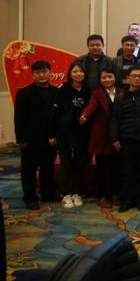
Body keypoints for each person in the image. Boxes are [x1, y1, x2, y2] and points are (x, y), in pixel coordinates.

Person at [14, 60, 59, 210]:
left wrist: (56, 135)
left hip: (50, 138)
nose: (42, 75)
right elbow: (19, 118)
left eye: (44, 72)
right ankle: (30, 197)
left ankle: (47, 193)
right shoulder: (24, 93)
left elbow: (57, 116)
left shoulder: (56, 92)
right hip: (30, 139)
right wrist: (21, 139)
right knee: (29, 170)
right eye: (38, 73)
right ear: (33, 75)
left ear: (50, 73)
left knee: (48, 167)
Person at [110, 66, 140, 212]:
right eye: (133, 76)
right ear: (128, 78)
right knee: (126, 171)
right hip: (126, 139)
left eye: (139, 76)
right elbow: (115, 119)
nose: (136, 79)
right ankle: (127, 200)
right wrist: (114, 138)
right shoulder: (120, 97)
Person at [80, 68, 119, 208]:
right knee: (101, 168)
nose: (107, 80)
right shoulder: (97, 93)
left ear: (115, 77)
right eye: (104, 78)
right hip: (101, 135)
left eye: (110, 76)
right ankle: (101, 195)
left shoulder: (122, 91)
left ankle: (115, 194)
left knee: (116, 168)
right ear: (100, 80)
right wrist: (84, 115)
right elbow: (91, 106)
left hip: (118, 136)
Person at [55, 62, 90, 209]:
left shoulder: (88, 90)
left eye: (81, 71)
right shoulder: (63, 89)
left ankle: (76, 192)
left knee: (79, 164)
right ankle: (65, 194)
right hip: (64, 133)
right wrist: (53, 133)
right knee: (65, 164)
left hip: (81, 133)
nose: (78, 74)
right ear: (70, 74)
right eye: (75, 71)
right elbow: (56, 113)